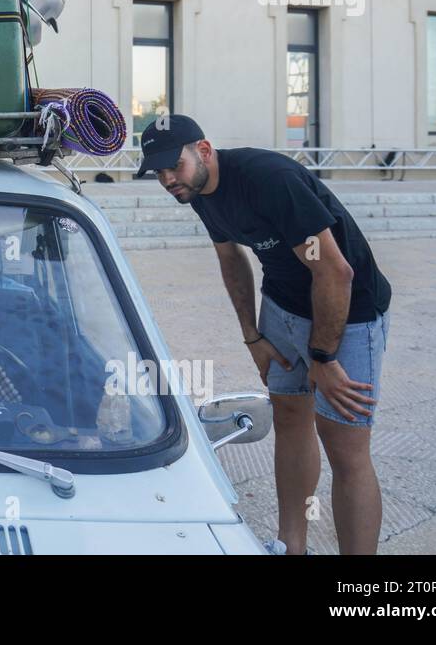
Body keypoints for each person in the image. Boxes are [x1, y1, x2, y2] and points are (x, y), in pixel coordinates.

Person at [137, 115, 392, 555]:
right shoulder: (197, 191)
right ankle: (292, 545)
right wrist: (253, 336)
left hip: (348, 311)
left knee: (345, 448)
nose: (166, 179)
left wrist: (324, 360)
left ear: (204, 150)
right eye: (157, 171)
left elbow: (335, 272)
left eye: (172, 166)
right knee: (290, 420)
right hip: (282, 305)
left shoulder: (270, 180)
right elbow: (231, 258)